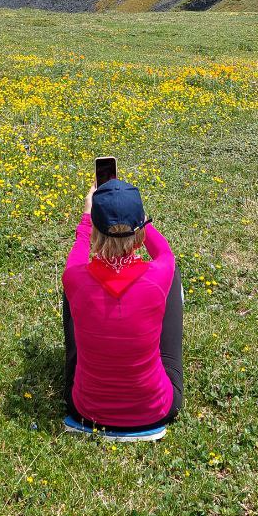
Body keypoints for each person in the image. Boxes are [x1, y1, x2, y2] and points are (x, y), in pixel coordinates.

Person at [62, 177, 183, 438]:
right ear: (140, 229)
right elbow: (165, 253)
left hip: (85, 410)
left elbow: (80, 249)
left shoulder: (74, 276)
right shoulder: (160, 274)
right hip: (157, 409)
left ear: (95, 229)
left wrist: (87, 215)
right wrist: (137, 216)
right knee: (173, 275)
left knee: (73, 291)